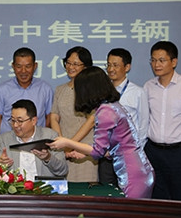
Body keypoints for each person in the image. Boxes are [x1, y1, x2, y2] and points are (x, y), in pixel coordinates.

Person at [49, 67, 154, 198]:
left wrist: (67, 142)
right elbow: (112, 149)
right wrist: (84, 153)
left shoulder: (105, 111)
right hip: (139, 171)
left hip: (132, 174)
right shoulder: (112, 106)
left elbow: (98, 151)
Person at [143, 41, 181, 201]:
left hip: (179, 154)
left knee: (180, 198)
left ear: (174, 62)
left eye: (161, 60)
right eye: (153, 60)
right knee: (156, 199)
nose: (156, 64)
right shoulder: (148, 87)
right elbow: (145, 119)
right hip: (153, 152)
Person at [101, 48, 149, 185]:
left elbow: (143, 126)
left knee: (127, 192)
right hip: (106, 155)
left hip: (128, 155)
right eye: (108, 64)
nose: (111, 69)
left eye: (115, 65)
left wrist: (135, 153)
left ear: (127, 67)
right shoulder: (102, 92)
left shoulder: (138, 92)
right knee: (106, 192)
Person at [49, 46, 98, 182]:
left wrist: (70, 144)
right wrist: (61, 142)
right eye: (68, 63)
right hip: (62, 149)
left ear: (86, 67)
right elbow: (54, 117)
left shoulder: (92, 91)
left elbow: (91, 121)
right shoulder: (60, 89)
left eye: (76, 64)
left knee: (84, 190)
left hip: (84, 150)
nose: (71, 67)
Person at [0, 99, 67, 180]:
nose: (15, 125)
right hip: (17, 187)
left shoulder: (50, 136)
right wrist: (1, 165)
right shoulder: (4, 139)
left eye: (20, 121)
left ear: (34, 121)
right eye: (13, 120)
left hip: (43, 186)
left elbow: (63, 171)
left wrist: (48, 158)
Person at [0, 47, 54, 134]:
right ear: (13, 66)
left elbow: (49, 117)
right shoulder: (2, 90)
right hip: (10, 140)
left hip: (38, 140)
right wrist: (8, 136)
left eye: (28, 66)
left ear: (35, 66)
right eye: (19, 66)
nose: (23, 71)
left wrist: (41, 136)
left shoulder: (45, 89)